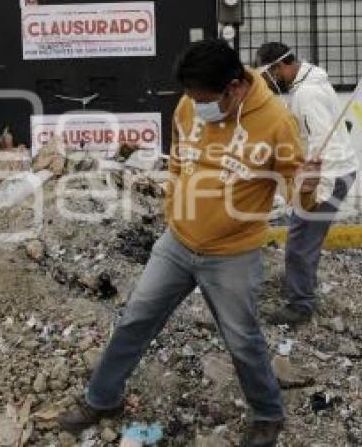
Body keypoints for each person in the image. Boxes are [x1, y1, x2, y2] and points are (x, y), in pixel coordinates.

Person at [59, 39, 320, 447]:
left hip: (232, 254)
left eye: (205, 98)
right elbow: (179, 156)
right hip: (177, 244)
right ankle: (102, 398)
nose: (197, 105)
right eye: (192, 96)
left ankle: (267, 414)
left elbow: (299, 194)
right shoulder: (188, 105)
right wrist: (173, 205)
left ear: (234, 87)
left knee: (243, 339)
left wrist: (307, 187)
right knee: (135, 319)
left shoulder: (275, 123)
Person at [255, 43, 358, 327]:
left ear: (279, 67)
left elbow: (322, 139)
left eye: (268, 74)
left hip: (329, 175)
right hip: (339, 171)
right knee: (306, 239)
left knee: (299, 243)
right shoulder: (313, 82)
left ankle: (300, 307)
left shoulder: (307, 93)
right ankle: (303, 293)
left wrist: (316, 186)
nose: (267, 81)